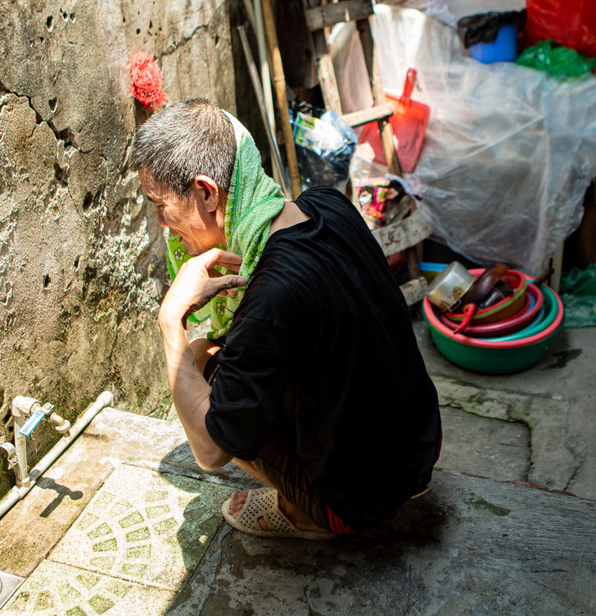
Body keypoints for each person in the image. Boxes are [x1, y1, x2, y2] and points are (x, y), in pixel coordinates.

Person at [128, 98, 441, 538]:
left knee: (197, 360)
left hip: (359, 500)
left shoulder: (272, 293)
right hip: (421, 445)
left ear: (206, 191)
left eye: (160, 205)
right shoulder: (326, 203)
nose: (162, 222)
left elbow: (211, 452)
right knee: (214, 356)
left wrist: (170, 320)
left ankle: (304, 514)